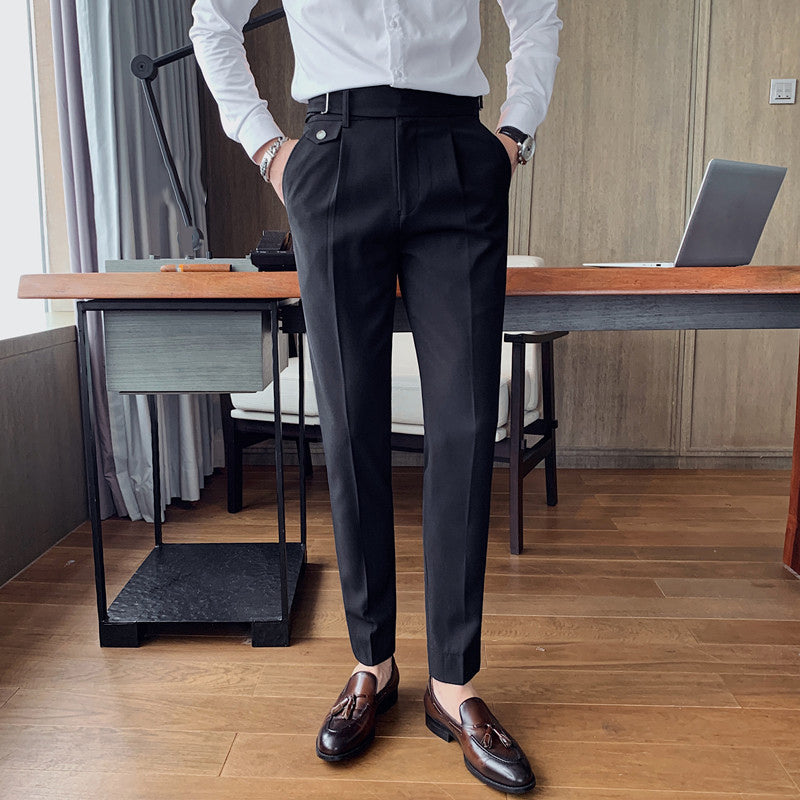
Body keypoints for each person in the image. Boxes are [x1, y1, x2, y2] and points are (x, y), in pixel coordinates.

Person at [189, 0, 561, 792]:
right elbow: (210, 20)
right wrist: (267, 149)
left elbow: (539, 14)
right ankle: (374, 664)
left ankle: (453, 685)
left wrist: (515, 134)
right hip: (333, 154)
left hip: (459, 153)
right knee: (350, 420)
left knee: (463, 423)